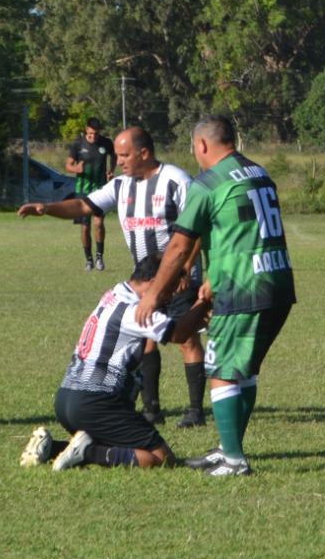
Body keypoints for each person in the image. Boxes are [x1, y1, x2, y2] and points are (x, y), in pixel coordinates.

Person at [136, 115, 296, 477]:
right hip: (278, 284)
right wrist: (213, 274)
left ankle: (235, 460)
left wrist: (153, 295)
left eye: (194, 147)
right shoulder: (259, 173)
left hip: (244, 288)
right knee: (245, 370)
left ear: (203, 145)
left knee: (221, 370)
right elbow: (242, 230)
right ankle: (228, 448)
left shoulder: (208, 182)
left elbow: (179, 245)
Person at [18, 126, 209, 428]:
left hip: (178, 278)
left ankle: (196, 412)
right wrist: (47, 208)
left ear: (144, 153)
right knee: (145, 339)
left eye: (124, 155)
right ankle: (151, 409)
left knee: (186, 338)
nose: (118, 161)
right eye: (118, 155)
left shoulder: (176, 180)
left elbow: (198, 226)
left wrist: (185, 269)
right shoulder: (121, 186)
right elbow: (84, 204)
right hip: (144, 280)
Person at [20, 257, 212, 471]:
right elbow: (178, 334)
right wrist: (203, 302)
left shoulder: (115, 294)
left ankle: (53, 449)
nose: (170, 297)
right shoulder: (133, 310)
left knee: (121, 449)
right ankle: (87, 452)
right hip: (96, 402)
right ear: (152, 282)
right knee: (160, 458)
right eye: (168, 289)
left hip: (67, 399)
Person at [65, 117, 116, 271]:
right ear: (86, 129)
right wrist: (75, 169)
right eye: (91, 133)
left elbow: (114, 156)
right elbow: (68, 165)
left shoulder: (106, 143)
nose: (93, 136)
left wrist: (111, 170)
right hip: (82, 191)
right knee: (85, 227)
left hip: (100, 190)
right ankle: (89, 260)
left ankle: (100, 257)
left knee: (99, 223)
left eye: (96, 133)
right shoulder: (77, 144)